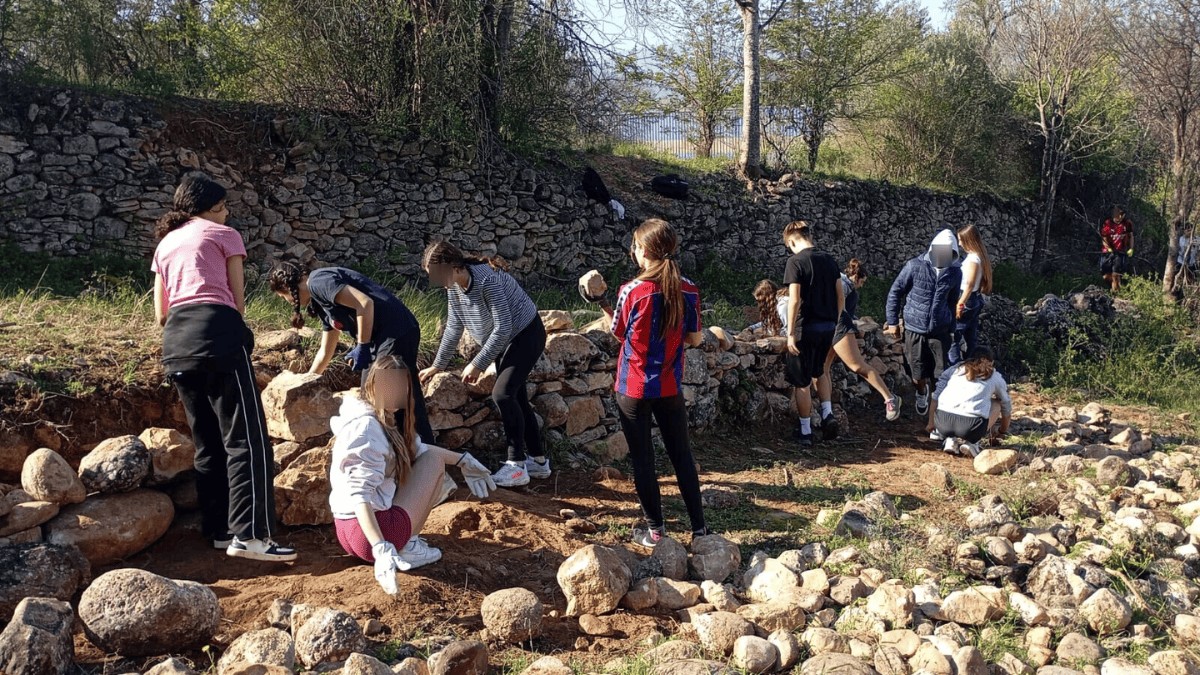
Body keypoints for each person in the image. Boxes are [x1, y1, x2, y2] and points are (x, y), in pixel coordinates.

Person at [152, 171, 296, 562]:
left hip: (176, 346)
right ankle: (251, 536)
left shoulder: (165, 244)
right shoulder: (224, 235)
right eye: (224, 206)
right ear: (211, 207)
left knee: (207, 444)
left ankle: (219, 529)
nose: (228, 212)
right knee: (246, 441)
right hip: (218, 336)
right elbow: (236, 300)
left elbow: (160, 312)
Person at [329, 356, 497, 593]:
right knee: (435, 462)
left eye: (402, 385)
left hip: (349, 532)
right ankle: (409, 545)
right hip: (372, 534)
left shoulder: (372, 420)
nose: (398, 392)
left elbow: (419, 449)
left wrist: (463, 460)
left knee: (431, 457)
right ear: (372, 385)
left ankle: (400, 543)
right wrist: (380, 547)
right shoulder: (367, 428)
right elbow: (360, 494)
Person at [598, 218, 708, 547]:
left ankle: (655, 531)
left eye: (634, 246)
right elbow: (696, 338)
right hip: (670, 385)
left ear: (643, 251)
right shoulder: (688, 289)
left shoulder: (632, 291)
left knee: (643, 460)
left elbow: (618, 332)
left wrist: (599, 301)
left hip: (633, 387)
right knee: (682, 456)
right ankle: (700, 529)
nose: (633, 251)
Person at [419, 242, 549, 488]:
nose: (436, 281)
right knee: (516, 397)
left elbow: (504, 327)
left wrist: (478, 364)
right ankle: (538, 462)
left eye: (437, 274)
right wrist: (438, 365)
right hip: (505, 340)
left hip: (526, 334)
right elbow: (454, 326)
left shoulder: (487, 280)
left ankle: (516, 465)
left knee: (502, 394)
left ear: (453, 267)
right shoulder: (454, 287)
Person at [268, 263, 435, 443]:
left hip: (395, 333)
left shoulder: (318, 282)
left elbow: (365, 303)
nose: (287, 301)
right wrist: (308, 379)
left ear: (287, 287)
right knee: (369, 397)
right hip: (378, 341)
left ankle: (421, 453)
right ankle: (400, 453)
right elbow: (326, 350)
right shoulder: (319, 303)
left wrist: (362, 345)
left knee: (388, 402)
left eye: (282, 296)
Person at [884, 229, 963, 418]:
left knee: (940, 375)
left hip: (940, 330)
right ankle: (921, 393)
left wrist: (952, 330)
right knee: (917, 373)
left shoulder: (954, 273)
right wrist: (893, 321)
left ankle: (939, 413)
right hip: (914, 328)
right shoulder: (914, 266)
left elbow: (952, 302)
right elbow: (896, 291)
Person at [781, 221, 843, 447]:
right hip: (827, 326)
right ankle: (827, 414)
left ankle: (805, 431)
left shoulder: (795, 262)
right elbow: (840, 296)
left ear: (792, 240)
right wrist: (835, 321)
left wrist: (789, 333)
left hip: (804, 328)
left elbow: (794, 299)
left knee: (802, 381)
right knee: (821, 371)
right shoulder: (830, 260)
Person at [823, 260, 901, 422]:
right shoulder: (844, 286)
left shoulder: (848, 289)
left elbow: (843, 312)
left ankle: (889, 398)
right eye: (863, 282)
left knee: (856, 365)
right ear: (857, 278)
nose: (862, 286)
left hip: (836, 327)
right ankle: (827, 411)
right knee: (823, 369)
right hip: (832, 326)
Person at [927, 347, 1012, 458]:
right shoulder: (994, 376)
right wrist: (1002, 430)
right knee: (996, 404)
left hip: (942, 423)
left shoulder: (955, 369)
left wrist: (931, 423)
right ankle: (972, 443)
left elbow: (937, 396)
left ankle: (950, 439)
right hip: (969, 427)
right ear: (992, 362)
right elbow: (1006, 405)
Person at [951, 224, 993, 365]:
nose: (959, 243)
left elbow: (969, 285)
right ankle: (972, 366)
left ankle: (955, 368)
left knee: (954, 337)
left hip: (966, 298)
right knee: (971, 336)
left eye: (961, 240)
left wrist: (960, 303)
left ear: (968, 240)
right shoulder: (979, 257)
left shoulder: (973, 260)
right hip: (974, 299)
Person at [1100, 206, 1135, 293]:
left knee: (1116, 274)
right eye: (1118, 214)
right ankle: (1115, 287)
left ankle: (1116, 293)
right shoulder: (1107, 223)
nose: (1119, 216)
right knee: (1105, 275)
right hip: (1107, 252)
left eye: (1122, 214)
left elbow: (1131, 236)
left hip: (1120, 252)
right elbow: (1104, 238)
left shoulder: (1127, 224)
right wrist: (1108, 248)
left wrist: (1131, 248)